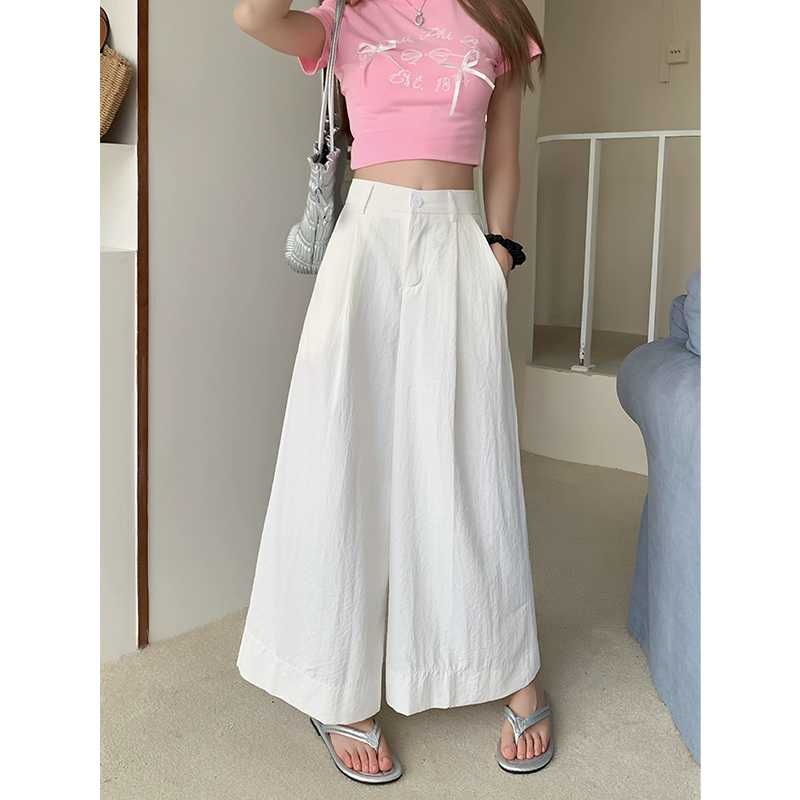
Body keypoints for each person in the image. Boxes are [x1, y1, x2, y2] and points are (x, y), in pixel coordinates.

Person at [233, 0, 552, 784]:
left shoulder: (500, 20)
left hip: (458, 240)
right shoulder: (343, 15)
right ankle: (333, 684)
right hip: (365, 242)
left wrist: (499, 253)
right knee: (339, 457)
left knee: (471, 458)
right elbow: (253, 18)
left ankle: (512, 665)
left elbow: (504, 152)